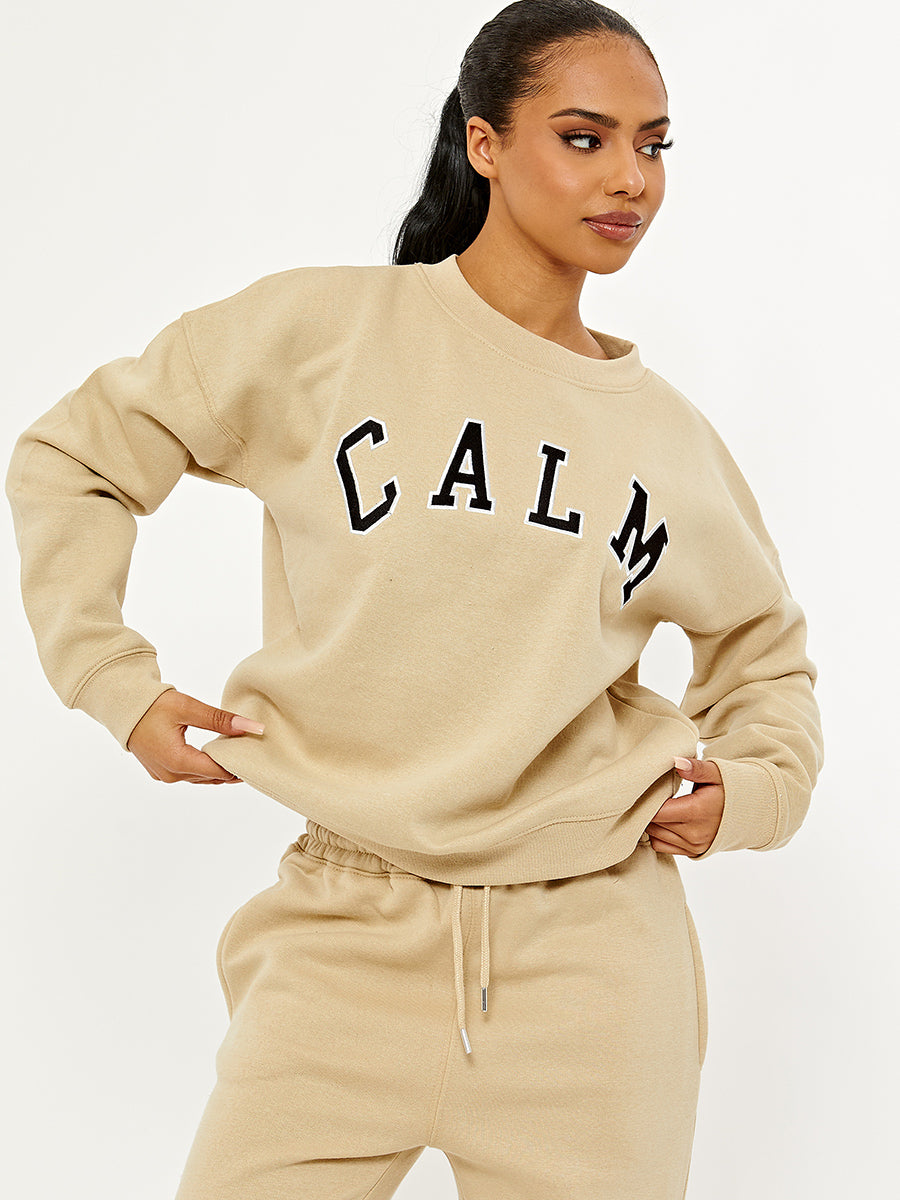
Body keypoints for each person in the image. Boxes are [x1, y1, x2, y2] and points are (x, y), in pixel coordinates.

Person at [5, 1, 824, 1197]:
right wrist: (111, 681)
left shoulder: (666, 438)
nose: (632, 179)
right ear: (484, 142)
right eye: (585, 138)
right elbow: (73, 459)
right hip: (341, 942)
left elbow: (763, 652)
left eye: (654, 145)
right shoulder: (322, 334)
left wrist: (752, 790)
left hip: (592, 972)